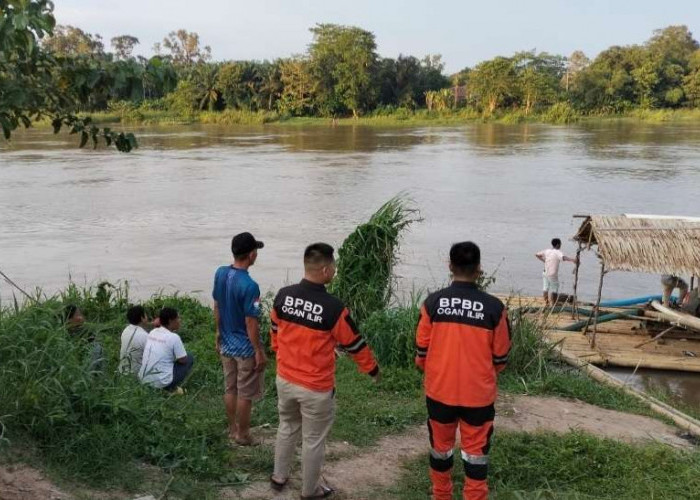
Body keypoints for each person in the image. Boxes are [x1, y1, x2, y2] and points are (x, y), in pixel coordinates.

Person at [269, 243, 379, 499]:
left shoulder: (283, 296)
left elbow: (275, 331)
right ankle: (311, 491)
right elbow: (354, 343)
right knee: (314, 439)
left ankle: (278, 477)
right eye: (334, 267)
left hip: (284, 379)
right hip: (315, 387)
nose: (335, 271)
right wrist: (372, 369)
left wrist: (279, 352)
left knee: (286, 426)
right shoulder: (333, 308)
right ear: (326, 270)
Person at [415, 242, 511, 500]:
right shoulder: (494, 308)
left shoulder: (432, 304)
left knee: (440, 449)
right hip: (478, 396)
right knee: (476, 455)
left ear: (450, 267)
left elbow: (420, 354)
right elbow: (501, 358)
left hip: (440, 392)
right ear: (479, 269)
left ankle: (441, 494)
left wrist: (438, 371)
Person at [213, 232, 266, 446]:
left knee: (230, 388)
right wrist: (258, 350)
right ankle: (243, 435)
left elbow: (217, 305)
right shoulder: (250, 286)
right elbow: (251, 322)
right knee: (245, 393)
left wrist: (218, 333)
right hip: (245, 348)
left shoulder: (220, 273)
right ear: (252, 255)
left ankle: (232, 429)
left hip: (226, 343)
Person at [139, 307, 194, 393]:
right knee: (189, 357)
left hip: (144, 380)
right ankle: (170, 388)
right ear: (170, 321)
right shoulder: (174, 337)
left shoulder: (153, 332)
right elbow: (183, 360)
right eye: (178, 318)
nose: (180, 320)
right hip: (162, 382)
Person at [535, 238, 577, 306]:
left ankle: (546, 303)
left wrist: (544, 261)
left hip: (545, 272)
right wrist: (573, 260)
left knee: (545, 287)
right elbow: (563, 257)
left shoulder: (547, 251)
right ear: (557, 245)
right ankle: (554, 304)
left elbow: (537, 254)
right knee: (554, 288)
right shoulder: (558, 252)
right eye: (560, 244)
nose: (561, 245)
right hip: (552, 274)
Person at [64, 304, 105, 373]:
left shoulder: (64, 334)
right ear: (69, 319)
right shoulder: (84, 336)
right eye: (78, 314)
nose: (82, 317)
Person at [119, 305, 150, 376]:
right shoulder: (144, 336)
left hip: (123, 371)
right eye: (145, 314)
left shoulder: (126, 330)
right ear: (142, 318)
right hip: (136, 374)